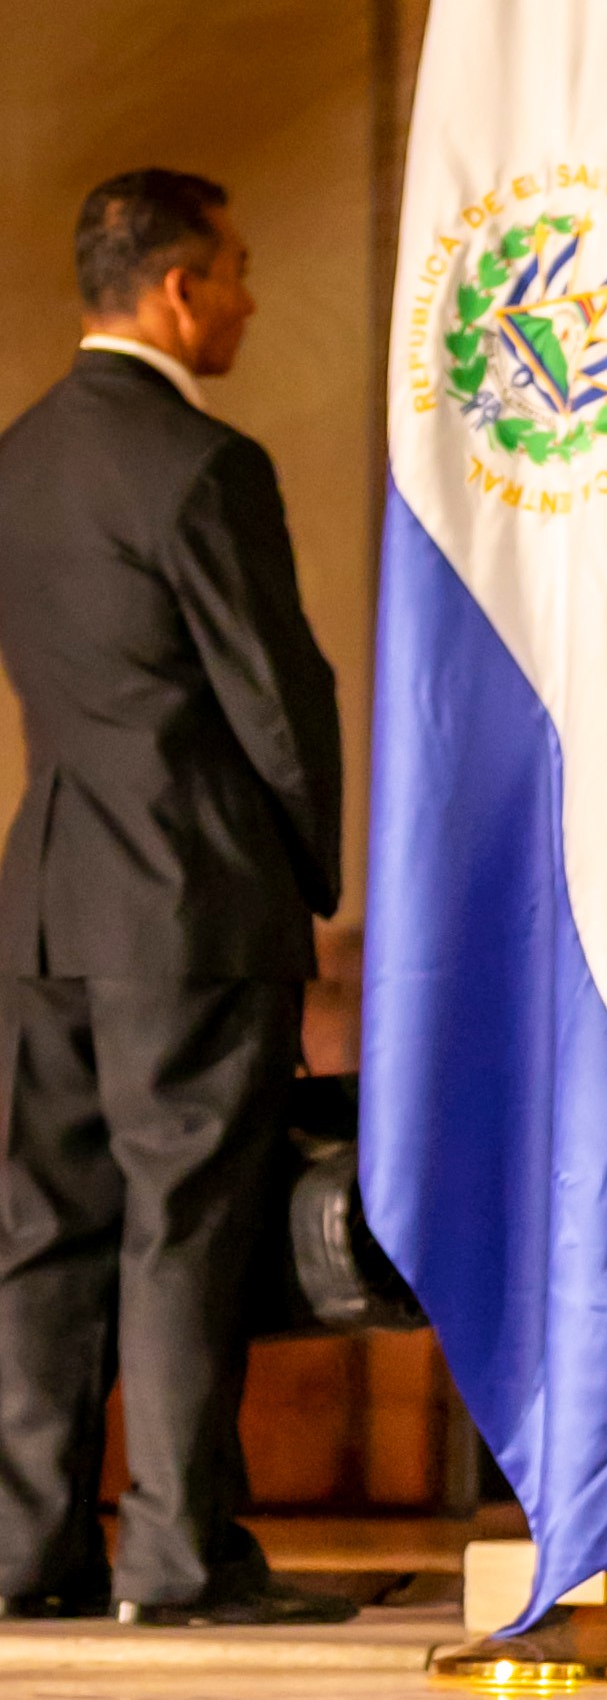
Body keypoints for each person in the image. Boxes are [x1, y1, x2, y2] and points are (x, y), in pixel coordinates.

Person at [0, 170, 351, 1624]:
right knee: (185, 1228)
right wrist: (314, 874)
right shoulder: (207, 466)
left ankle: (25, 1554)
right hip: (190, 904)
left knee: (42, 1233)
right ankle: (179, 1557)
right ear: (179, 289)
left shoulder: (16, 457)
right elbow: (276, 698)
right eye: (239, 270)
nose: (250, 300)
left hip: (42, 900)